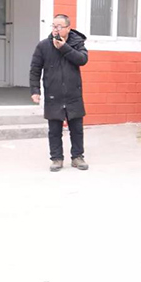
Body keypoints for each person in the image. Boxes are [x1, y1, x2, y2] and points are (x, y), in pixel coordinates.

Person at [30, 14, 89, 172]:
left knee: (76, 129)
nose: (56, 29)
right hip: (53, 94)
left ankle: (77, 157)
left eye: (59, 26)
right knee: (54, 130)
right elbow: (35, 69)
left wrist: (64, 47)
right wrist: (35, 90)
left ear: (68, 28)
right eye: (54, 26)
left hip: (73, 94)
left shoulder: (77, 43)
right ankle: (56, 158)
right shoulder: (43, 46)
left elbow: (82, 60)